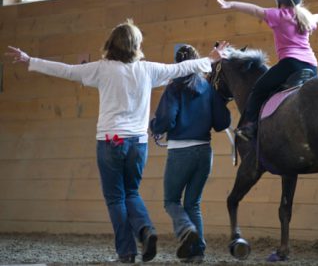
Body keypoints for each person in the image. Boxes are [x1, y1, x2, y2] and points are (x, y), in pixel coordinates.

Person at [5, 20, 227, 263]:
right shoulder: (148, 70)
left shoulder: (102, 69)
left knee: (115, 198)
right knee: (131, 193)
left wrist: (30, 61)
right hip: (138, 144)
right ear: (136, 45)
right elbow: (182, 68)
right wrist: (211, 58)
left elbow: (67, 70)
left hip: (110, 140)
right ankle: (145, 229)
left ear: (112, 44)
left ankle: (127, 250)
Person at [217, 0, 318, 141]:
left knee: (258, 90)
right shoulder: (305, 16)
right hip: (312, 66)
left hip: (290, 64)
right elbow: (315, 18)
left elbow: (255, 10)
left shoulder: (279, 15)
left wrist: (232, 4)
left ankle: (249, 126)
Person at [150, 44, 231, 263]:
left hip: (181, 152)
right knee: (192, 203)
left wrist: (154, 126)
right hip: (205, 152)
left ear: (178, 64)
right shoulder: (207, 87)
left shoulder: (174, 88)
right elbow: (223, 122)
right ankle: (197, 251)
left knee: (171, 201)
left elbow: (167, 120)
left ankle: (185, 229)